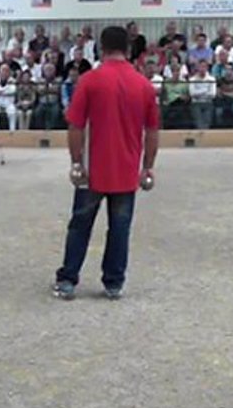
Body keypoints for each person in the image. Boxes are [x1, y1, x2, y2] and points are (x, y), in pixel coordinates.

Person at [53, 26, 160, 301]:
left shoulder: (89, 80)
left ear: (101, 47)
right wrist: (147, 166)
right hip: (126, 171)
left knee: (80, 224)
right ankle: (114, 282)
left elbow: (75, 126)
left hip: (93, 169)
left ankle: (68, 279)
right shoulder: (144, 85)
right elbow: (152, 131)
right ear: (128, 49)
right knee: (120, 227)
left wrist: (76, 162)